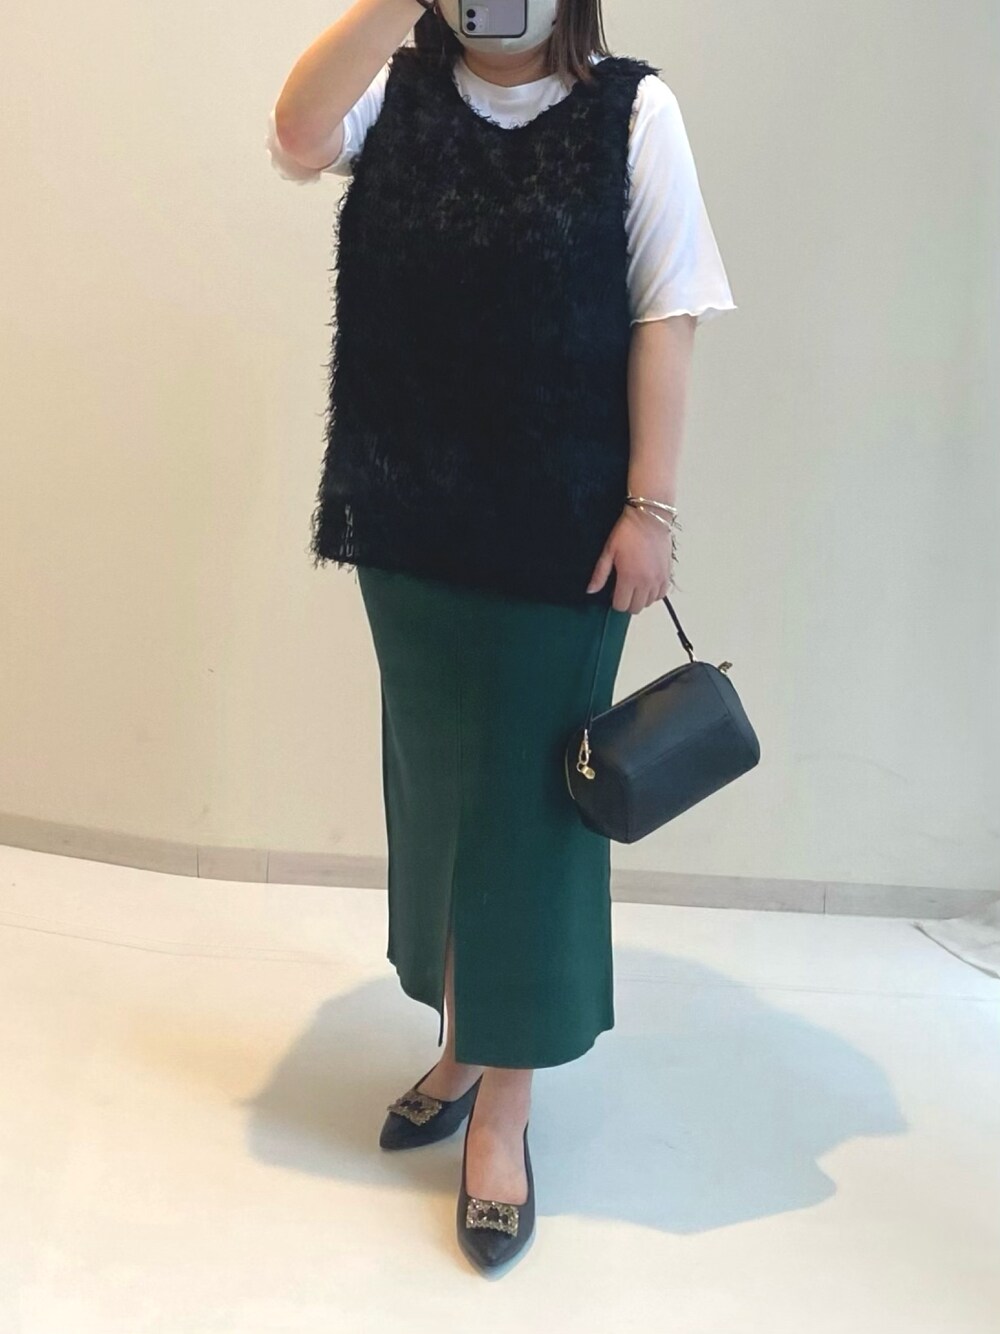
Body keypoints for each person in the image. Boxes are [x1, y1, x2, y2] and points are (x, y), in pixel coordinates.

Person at [266, 0, 736, 1272]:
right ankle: (466, 1040)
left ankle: (505, 1112)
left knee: (529, 818)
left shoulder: (633, 112)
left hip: (562, 534)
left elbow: (667, 314)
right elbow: (299, 133)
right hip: (409, 522)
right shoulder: (396, 91)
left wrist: (650, 508)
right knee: (438, 800)